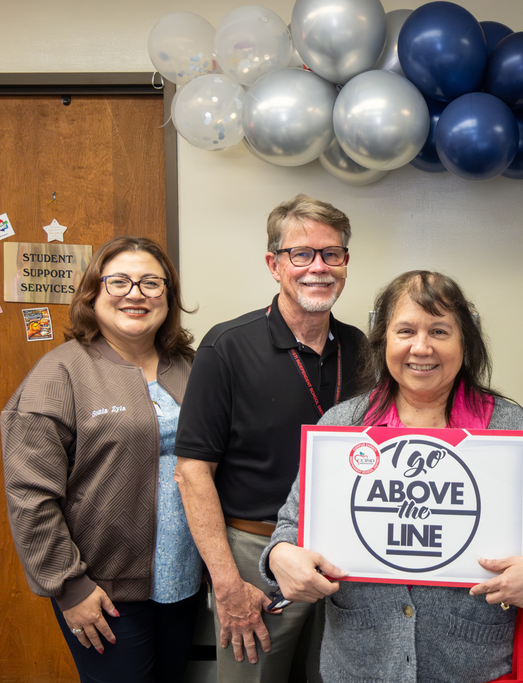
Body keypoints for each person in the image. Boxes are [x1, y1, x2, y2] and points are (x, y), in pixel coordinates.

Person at [261, 270, 523, 682]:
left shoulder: (513, 429)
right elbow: (290, 527)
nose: (421, 347)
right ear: (383, 341)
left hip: (477, 666)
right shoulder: (343, 427)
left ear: (465, 342)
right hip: (361, 665)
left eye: (440, 331)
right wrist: (281, 556)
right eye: (406, 330)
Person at [174, 195, 365, 683]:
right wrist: (227, 585)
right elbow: (192, 471)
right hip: (254, 556)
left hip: (347, 556)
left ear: (346, 262)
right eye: (301, 254)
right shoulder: (226, 346)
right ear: (274, 264)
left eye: (332, 254)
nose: (318, 267)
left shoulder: (364, 349)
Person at [2, 236, 200, 683]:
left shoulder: (191, 367)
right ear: (92, 293)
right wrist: (69, 587)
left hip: (184, 583)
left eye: (151, 282)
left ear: (168, 295)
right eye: (119, 281)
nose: (136, 293)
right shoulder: (59, 375)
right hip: (104, 592)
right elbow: (30, 495)